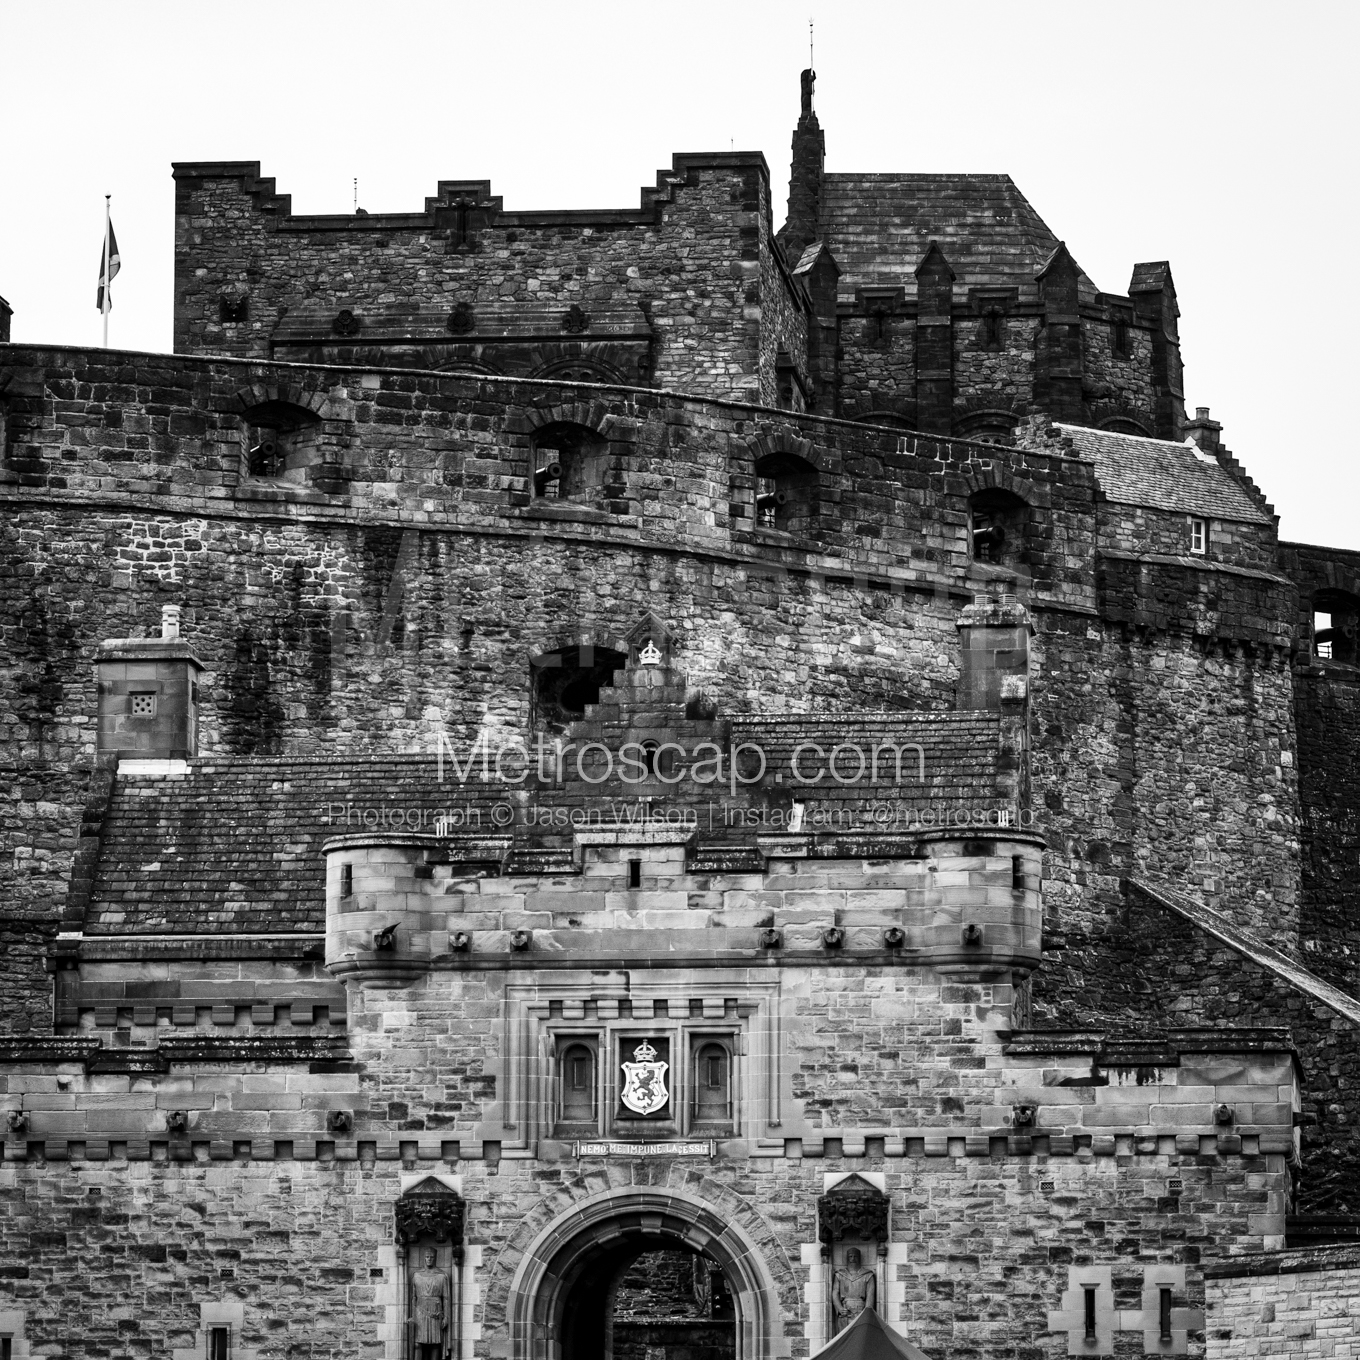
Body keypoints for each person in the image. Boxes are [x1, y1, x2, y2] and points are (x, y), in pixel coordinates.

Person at [410, 1246, 451, 1360]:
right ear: (424, 1258)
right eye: (427, 1257)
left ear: (435, 1258)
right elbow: (413, 1298)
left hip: (435, 1311)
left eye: (431, 1257)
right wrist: (412, 1315)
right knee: (418, 1343)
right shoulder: (416, 1275)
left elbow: (446, 1298)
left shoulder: (442, 1275)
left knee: (435, 1343)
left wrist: (446, 1317)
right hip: (420, 1311)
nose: (429, 1259)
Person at [831, 1247, 876, 1332]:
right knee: (844, 1336)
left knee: (860, 1335)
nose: (853, 1259)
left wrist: (866, 1313)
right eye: (850, 1256)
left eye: (855, 1256)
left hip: (861, 1311)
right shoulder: (840, 1274)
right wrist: (839, 1308)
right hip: (845, 1311)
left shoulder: (868, 1275)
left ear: (859, 1258)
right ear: (847, 1258)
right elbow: (835, 1292)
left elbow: (870, 1295)